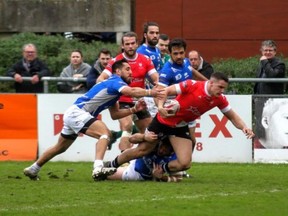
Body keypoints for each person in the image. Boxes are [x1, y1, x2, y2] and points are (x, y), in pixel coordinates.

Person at [23, 59, 163, 181]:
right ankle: (98, 168)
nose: (131, 72)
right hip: (78, 113)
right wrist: (151, 92)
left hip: (74, 113)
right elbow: (131, 92)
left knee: (60, 147)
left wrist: (133, 110)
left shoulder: (114, 90)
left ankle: (33, 168)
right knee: (105, 134)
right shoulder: (115, 81)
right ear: (118, 72)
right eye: (127, 69)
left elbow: (115, 114)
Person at [105, 72, 254, 176]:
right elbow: (165, 91)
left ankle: (162, 169)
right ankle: (110, 165)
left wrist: (245, 128)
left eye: (224, 89)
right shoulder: (192, 85)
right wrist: (161, 107)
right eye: (220, 87)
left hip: (180, 127)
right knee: (142, 150)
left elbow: (232, 116)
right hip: (163, 121)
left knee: (185, 163)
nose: (222, 91)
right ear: (211, 83)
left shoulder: (219, 99)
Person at [97, 32, 159, 152]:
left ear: (137, 44)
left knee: (150, 131)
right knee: (127, 126)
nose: (130, 46)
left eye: (132, 43)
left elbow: (156, 78)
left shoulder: (145, 59)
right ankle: (123, 161)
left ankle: (142, 159)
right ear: (122, 46)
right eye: (127, 44)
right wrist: (106, 92)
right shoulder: (116, 61)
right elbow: (100, 78)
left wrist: (159, 85)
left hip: (139, 101)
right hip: (121, 100)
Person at [158, 38, 208, 148]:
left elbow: (193, 71)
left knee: (192, 141)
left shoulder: (185, 61)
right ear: (170, 53)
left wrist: (208, 83)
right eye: (175, 54)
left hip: (189, 109)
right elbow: (159, 92)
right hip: (176, 111)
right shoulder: (167, 70)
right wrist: (160, 107)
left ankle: (183, 163)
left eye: (181, 53)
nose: (179, 56)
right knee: (173, 143)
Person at [106, 133, 182, 182]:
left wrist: (162, 177)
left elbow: (178, 178)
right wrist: (144, 137)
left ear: (172, 150)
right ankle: (117, 164)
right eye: (162, 147)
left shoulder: (175, 158)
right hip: (136, 160)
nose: (161, 151)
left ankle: (119, 167)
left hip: (137, 173)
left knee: (106, 175)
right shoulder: (154, 142)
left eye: (165, 150)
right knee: (128, 153)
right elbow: (131, 139)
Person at [137, 21, 162, 118]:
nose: (155, 35)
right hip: (147, 95)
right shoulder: (141, 51)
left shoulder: (157, 49)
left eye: (157, 33)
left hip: (157, 93)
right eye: (151, 33)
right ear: (145, 35)